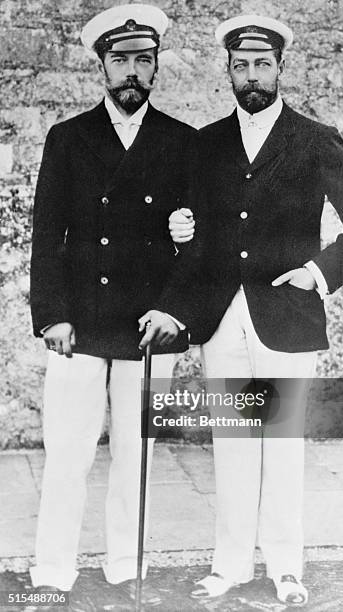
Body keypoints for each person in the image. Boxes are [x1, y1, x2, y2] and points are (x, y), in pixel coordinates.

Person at [169, 13, 343, 606]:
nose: (251, 75)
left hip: (286, 318)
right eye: (240, 66)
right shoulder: (205, 142)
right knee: (233, 444)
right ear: (229, 73)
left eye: (262, 64)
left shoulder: (314, 138)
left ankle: (287, 567)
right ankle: (231, 564)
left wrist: (318, 273)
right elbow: (193, 226)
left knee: (283, 445)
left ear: (280, 68)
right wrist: (180, 226)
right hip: (222, 318)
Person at [29, 3, 199, 599]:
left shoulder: (183, 142)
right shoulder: (68, 138)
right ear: (102, 66)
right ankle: (52, 569)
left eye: (143, 61)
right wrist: (52, 315)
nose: (132, 71)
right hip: (79, 320)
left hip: (149, 322)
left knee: (138, 454)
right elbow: (47, 233)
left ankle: (126, 565)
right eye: (120, 59)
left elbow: (200, 242)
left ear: (156, 69)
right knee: (68, 452)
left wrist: (175, 309)